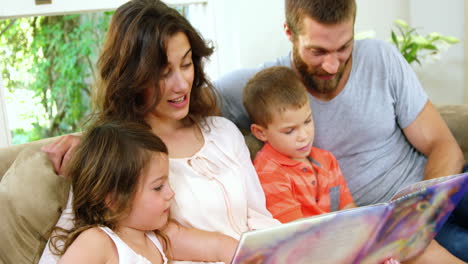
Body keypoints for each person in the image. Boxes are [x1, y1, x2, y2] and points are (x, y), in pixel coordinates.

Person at [214, 0, 466, 261]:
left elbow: (444, 145)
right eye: (317, 51)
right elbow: (186, 98)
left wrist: (422, 211)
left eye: (344, 47)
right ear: (289, 32)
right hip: (389, 228)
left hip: (435, 193)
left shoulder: (381, 57)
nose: (332, 65)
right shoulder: (268, 91)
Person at [39, 0, 279, 263]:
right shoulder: (118, 157)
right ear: (132, 77)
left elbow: (259, 217)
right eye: (164, 73)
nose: (181, 84)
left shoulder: (223, 133)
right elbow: (66, 249)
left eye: (186, 64)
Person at [52, 120, 237, 263]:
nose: (171, 193)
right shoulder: (97, 242)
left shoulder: (158, 236)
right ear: (114, 200)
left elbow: (218, 246)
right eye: (158, 187)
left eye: (167, 182)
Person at [243, 66, 355, 223]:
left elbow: (350, 210)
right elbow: (294, 233)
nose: (304, 136)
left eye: (308, 121)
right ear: (261, 133)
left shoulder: (326, 160)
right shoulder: (269, 173)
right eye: (289, 131)